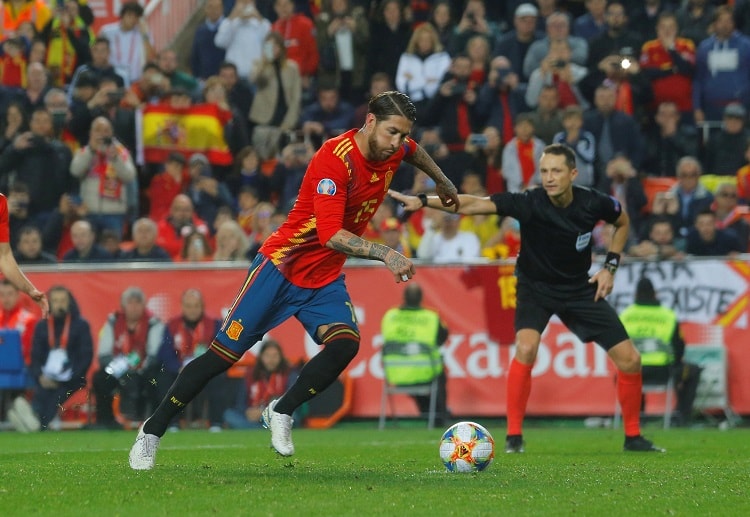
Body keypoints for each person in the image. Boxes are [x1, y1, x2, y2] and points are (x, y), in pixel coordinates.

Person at [128, 90, 460, 470]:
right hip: (281, 267)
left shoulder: (393, 147)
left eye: (402, 134)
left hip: (324, 275)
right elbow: (330, 235)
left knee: (345, 344)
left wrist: (444, 182)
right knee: (220, 358)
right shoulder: (335, 161)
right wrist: (386, 252)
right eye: (392, 133)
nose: (398, 143)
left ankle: (281, 411)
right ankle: (151, 432)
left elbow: (414, 151)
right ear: (369, 123)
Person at [389, 143, 665, 453]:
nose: (549, 177)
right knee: (526, 347)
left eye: (556, 171)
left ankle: (633, 437)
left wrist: (610, 267)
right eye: (544, 171)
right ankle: (514, 437)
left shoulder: (594, 203)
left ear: (573, 173)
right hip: (535, 289)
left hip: (578, 289)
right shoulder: (529, 203)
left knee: (630, 359)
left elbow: (623, 222)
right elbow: (470, 205)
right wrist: (424, 200)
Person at [90, 286, 178, 430]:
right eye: (130, 303)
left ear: (144, 305)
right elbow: (103, 354)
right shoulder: (112, 322)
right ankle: (106, 421)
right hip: (117, 370)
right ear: (123, 305)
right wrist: (119, 370)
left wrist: (138, 370)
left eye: (138, 303)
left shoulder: (153, 323)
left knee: (156, 378)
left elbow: (154, 354)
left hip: (144, 369)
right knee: (100, 378)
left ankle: (153, 421)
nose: (134, 307)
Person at [620, 277, 702, 427]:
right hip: (664, 372)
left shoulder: (625, 316)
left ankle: (638, 417)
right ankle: (681, 417)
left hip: (634, 372)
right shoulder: (667, 315)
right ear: (655, 294)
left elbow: (617, 347)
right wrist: (676, 364)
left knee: (628, 374)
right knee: (693, 370)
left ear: (635, 295)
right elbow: (679, 347)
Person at [380, 282, 449, 424]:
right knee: (439, 374)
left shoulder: (390, 316)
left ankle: (428, 412)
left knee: (415, 375)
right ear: (421, 298)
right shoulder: (431, 317)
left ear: (404, 297)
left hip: (395, 373)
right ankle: (439, 416)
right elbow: (442, 339)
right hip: (424, 371)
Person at [28, 286, 93, 431]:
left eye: (63, 300)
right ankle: (35, 419)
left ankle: (37, 422)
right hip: (45, 378)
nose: (59, 305)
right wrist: (40, 376)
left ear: (70, 302)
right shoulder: (42, 326)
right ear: (49, 303)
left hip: (72, 378)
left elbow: (86, 357)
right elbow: (35, 356)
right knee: (41, 391)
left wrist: (66, 378)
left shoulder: (81, 325)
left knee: (56, 395)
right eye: (55, 301)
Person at [167, 289, 225, 431]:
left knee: (219, 377)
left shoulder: (215, 324)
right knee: (164, 376)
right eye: (188, 306)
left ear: (202, 307)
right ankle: (172, 422)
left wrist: (205, 369)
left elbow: (220, 351)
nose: (192, 310)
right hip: (180, 369)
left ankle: (216, 423)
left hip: (206, 369)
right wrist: (177, 368)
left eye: (196, 306)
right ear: (182, 307)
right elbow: (164, 353)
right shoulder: (172, 325)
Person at [223, 339, 299, 429]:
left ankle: (254, 430)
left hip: (276, 415)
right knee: (229, 415)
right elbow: (240, 403)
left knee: (292, 417)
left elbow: (290, 402)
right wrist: (248, 412)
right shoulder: (250, 375)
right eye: (267, 356)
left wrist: (264, 412)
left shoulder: (289, 374)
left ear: (281, 357)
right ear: (261, 357)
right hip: (253, 416)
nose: (271, 360)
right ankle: (264, 430)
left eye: (275, 356)